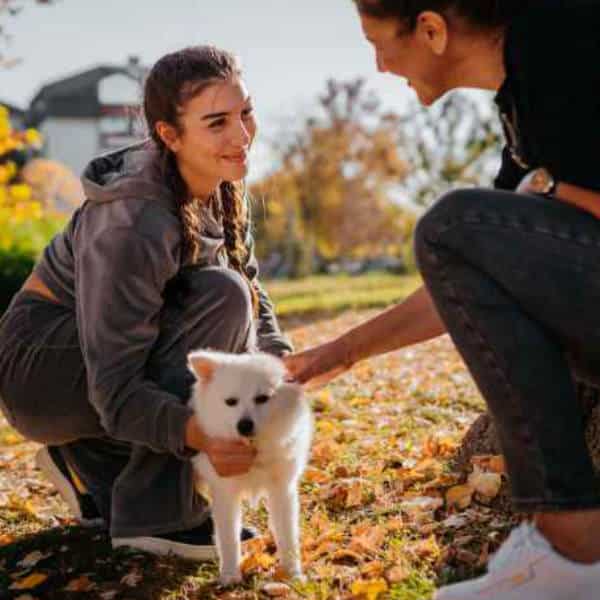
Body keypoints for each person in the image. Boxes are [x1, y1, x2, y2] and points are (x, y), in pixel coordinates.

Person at [284, 1, 600, 598]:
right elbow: (471, 268)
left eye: (377, 42)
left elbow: (466, 240)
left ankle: (573, 549)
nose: (378, 66)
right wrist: (342, 352)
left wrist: (553, 189)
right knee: (454, 234)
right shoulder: (527, 98)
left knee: (449, 224)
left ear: (431, 29)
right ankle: (564, 546)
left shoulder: (570, 53)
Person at [0, 45, 292, 561]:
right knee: (219, 300)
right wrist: (199, 433)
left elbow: (249, 280)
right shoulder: (135, 221)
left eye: (246, 112)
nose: (242, 135)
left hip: (81, 358)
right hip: (38, 368)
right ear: (169, 135)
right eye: (218, 122)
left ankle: (90, 463)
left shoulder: (218, 181)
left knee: (229, 293)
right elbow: (115, 385)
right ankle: (157, 516)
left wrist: (279, 367)